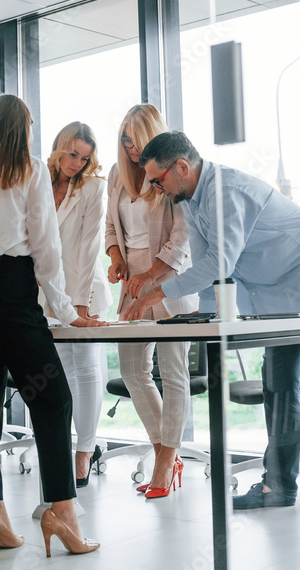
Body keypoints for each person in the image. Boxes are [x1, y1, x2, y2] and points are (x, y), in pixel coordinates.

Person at [125, 131, 300, 514]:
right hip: (279, 293)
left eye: (158, 179)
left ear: (181, 167)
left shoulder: (225, 191)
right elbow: (208, 267)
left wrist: (158, 293)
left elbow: (221, 262)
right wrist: (200, 314)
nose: (156, 188)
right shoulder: (191, 200)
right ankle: (279, 486)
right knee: (279, 386)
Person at [0, 94, 104, 557]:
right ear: (22, 126)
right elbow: (45, 248)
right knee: (53, 398)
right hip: (9, 288)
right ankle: (62, 512)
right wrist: (66, 310)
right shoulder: (27, 168)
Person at [105, 104, 199, 499]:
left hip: (170, 279)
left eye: (135, 140)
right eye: (124, 140)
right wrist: (115, 258)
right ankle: (164, 450)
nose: (129, 148)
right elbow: (110, 225)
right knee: (132, 370)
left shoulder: (171, 175)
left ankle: (165, 461)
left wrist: (151, 275)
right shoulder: (117, 175)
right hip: (133, 280)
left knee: (173, 372)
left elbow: (182, 236)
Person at [41, 121, 113, 487]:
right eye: (72, 154)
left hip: (85, 291)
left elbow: (88, 247)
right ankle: (76, 443)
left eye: (84, 158)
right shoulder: (38, 181)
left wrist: (80, 303)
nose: (77, 163)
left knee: (85, 368)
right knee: (63, 371)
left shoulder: (93, 188)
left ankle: (84, 452)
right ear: (59, 147)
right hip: (47, 296)